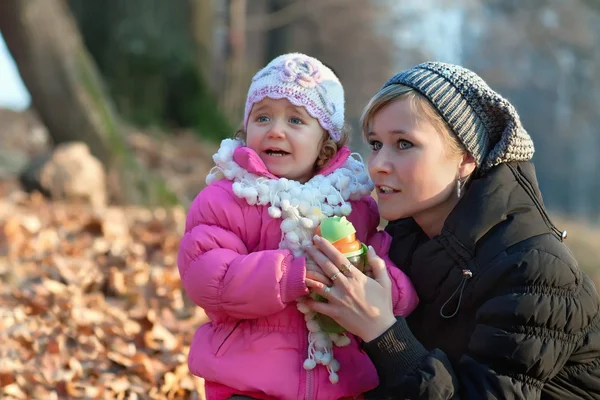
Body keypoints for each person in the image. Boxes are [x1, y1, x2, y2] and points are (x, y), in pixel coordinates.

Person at [303, 61, 600, 399]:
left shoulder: (536, 270)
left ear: (466, 158)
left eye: (403, 144)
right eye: (375, 143)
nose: (378, 165)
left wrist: (382, 330)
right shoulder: (396, 241)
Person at [177, 53, 419, 400]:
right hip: (248, 383)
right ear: (246, 130)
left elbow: (387, 267)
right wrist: (292, 275)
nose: (275, 130)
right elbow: (208, 275)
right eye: (263, 117)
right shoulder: (229, 197)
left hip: (339, 384)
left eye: (295, 120)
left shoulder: (351, 205)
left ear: (326, 142)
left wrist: (381, 285)